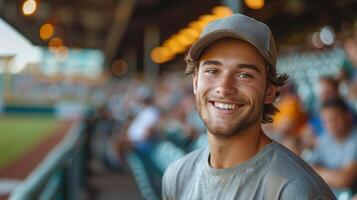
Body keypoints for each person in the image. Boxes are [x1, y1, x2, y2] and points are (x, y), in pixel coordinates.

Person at [162, 13, 336, 199]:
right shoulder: (177, 176)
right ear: (195, 82)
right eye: (212, 71)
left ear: (269, 91)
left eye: (244, 75)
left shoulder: (296, 190)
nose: (224, 87)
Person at [307, 97, 357, 195]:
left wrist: (315, 171)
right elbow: (307, 169)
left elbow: (344, 179)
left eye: (334, 119)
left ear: (348, 116)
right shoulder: (324, 139)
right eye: (326, 121)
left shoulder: (354, 138)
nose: (331, 125)